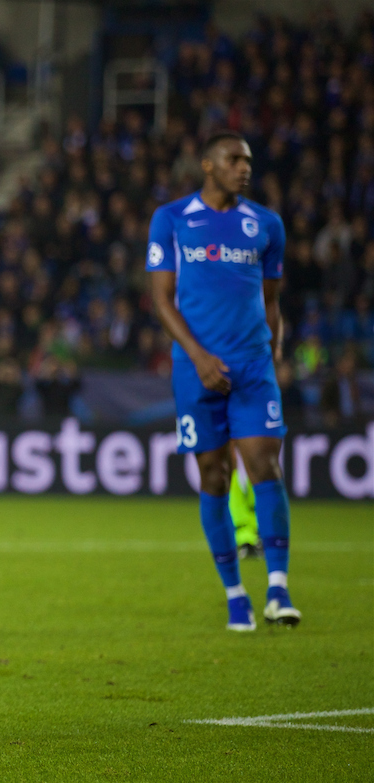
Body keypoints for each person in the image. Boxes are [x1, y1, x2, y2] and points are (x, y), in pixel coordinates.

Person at [148, 131, 299, 631]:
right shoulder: (171, 219)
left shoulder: (267, 225)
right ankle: (236, 595)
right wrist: (198, 356)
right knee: (213, 474)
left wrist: (274, 353)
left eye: (248, 160)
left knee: (263, 464)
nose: (244, 167)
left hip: (253, 367)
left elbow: (271, 300)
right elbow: (162, 300)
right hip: (196, 370)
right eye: (233, 159)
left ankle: (278, 588)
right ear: (207, 165)